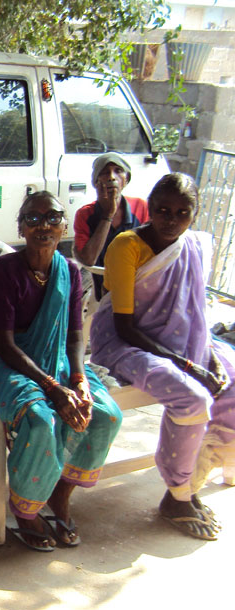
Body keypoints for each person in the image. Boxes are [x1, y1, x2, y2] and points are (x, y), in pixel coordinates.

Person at [0, 192, 122, 551]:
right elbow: (4, 344)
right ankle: (26, 510)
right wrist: (53, 388)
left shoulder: (68, 271)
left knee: (104, 414)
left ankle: (60, 496)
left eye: (53, 217)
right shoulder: (5, 270)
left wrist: (79, 380)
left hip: (54, 358)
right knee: (41, 420)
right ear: (21, 227)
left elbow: (74, 335)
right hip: (3, 358)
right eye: (33, 218)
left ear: (64, 225)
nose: (44, 226)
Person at [90, 173, 234, 541]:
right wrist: (190, 366)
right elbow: (124, 327)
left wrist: (206, 358)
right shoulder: (127, 245)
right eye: (163, 210)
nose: (171, 220)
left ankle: (192, 483)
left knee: (230, 385)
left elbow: (195, 313)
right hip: (125, 344)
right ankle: (177, 496)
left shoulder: (193, 246)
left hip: (181, 341)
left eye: (183, 212)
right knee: (193, 397)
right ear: (150, 210)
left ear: (195, 213)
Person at [73, 152, 149, 300]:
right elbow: (89, 260)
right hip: (102, 287)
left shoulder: (141, 207)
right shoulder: (85, 214)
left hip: (136, 285)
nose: (112, 177)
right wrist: (108, 215)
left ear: (126, 180)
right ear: (96, 182)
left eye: (118, 171)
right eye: (104, 172)